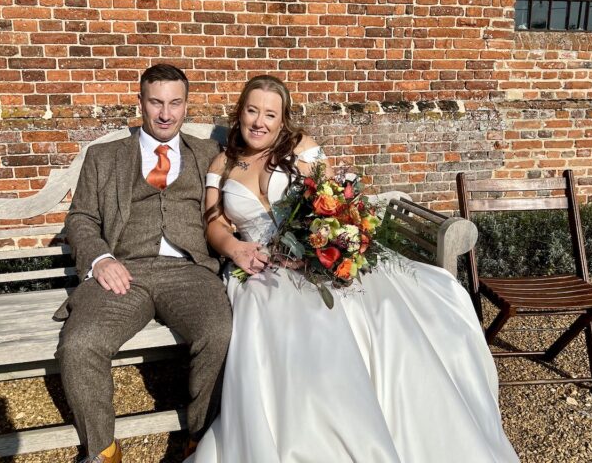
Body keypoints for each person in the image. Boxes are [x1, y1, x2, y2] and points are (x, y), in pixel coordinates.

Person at [186, 75, 520, 463]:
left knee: (382, 316)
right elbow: (213, 222)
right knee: (279, 322)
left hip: (312, 258)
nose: (259, 121)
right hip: (258, 268)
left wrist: (320, 246)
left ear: (283, 120)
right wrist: (235, 248)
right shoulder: (223, 163)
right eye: (252, 110)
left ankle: (393, 417)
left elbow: (328, 206)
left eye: (270, 114)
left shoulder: (302, 149)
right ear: (240, 112)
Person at [54, 64, 232, 463]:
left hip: (189, 272)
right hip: (124, 271)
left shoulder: (209, 155)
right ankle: (103, 451)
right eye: (156, 102)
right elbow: (81, 217)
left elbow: (240, 200)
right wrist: (100, 259)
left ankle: (201, 443)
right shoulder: (105, 157)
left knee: (220, 332)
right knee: (79, 346)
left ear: (186, 106)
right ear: (140, 103)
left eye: (175, 103)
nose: (165, 113)